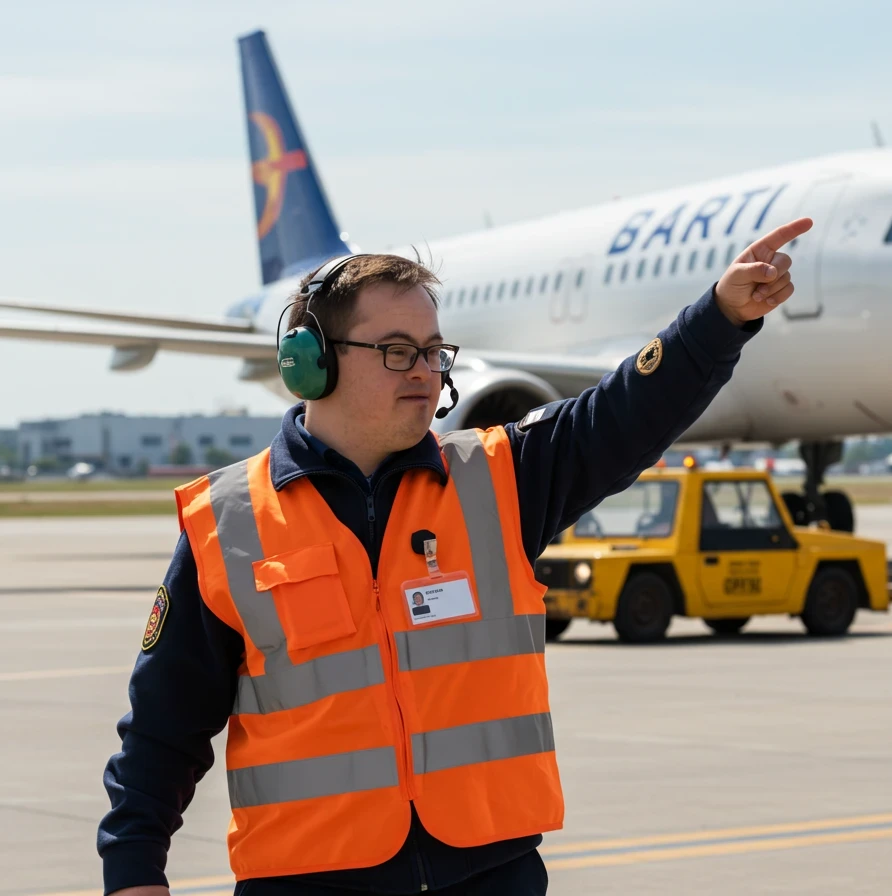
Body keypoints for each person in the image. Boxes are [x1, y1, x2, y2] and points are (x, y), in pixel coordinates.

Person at [98, 216, 812, 896]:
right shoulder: (229, 523)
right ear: (311, 364)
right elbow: (163, 727)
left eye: (435, 351)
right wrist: (134, 868)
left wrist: (719, 318)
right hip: (305, 882)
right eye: (397, 351)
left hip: (491, 874)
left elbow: (626, 412)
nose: (426, 372)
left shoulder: (499, 481)